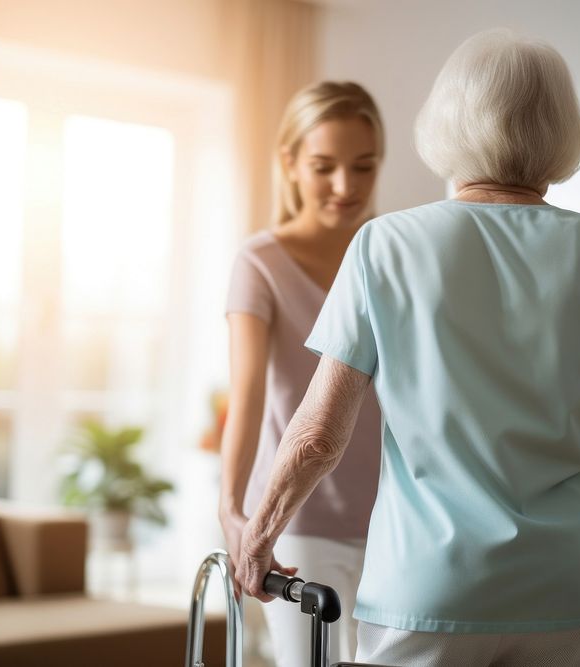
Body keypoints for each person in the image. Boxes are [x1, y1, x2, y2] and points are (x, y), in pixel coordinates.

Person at [234, 29, 580, 667]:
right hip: (573, 590)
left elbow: (318, 436)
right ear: (561, 130)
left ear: (447, 122)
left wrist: (256, 538)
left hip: (430, 593)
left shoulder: (383, 246)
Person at [220, 81, 386, 667]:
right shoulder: (259, 263)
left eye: (363, 167)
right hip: (299, 519)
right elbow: (248, 396)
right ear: (289, 164)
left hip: (399, 520)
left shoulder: (392, 254)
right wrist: (232, 510)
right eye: (324, 167)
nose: (346, 187)